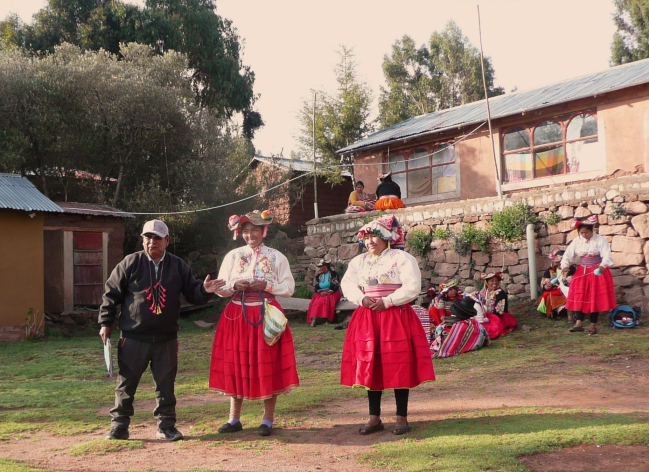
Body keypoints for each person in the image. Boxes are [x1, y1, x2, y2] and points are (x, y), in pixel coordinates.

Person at [99, 219, 224, 441]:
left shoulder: (178, 266)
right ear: (142, 239)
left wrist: (204, 290)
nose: (152, 241)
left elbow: (193, 293)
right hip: (133, 337)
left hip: (166, 338)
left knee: (166, 386)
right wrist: (105, 323)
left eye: (157, 238)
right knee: (126, 384)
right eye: (148, 237)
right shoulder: (130, 263)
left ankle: (166, 426)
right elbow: (111, 294)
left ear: (167, 241)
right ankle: (119, 426)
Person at [340, 215, 435, 435]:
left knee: (398, 363)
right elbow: (348, 284)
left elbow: (412, 287)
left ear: (387, 238)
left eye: (375, 236)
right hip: (368, 317)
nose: (370, 241)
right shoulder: (358, 262)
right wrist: (362, 299)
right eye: (367, 237)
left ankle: (401, 417)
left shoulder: (401, 258)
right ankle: (374, 418)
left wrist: (388, 301)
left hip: (395, 316)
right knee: (372, 364)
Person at [209, 210, 299, 437]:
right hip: (237, 316)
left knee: (266, 363)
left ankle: (267, 420)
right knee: (236, 363)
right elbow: (220, 289)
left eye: (255, 231)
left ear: (264, 231)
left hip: (266, 315)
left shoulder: (277, 257)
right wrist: (233, 286)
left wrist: (266, 285)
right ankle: (234, 418)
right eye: (246, 231)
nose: (250, 235)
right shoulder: (232, 256)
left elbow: (288, 288)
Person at [561, 215, 616, 336]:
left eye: (586, 232)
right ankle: (578, 322)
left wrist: (603, 266)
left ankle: (593, 325)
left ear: (592, 230)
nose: (584, 235)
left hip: (597, 271)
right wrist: (565, 265)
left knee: (594, 297)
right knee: (578, 294)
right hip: (582, 271)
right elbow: (568, 254)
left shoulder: (600, 240)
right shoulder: (577, 241)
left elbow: (606, 255)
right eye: (581, 233)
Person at [467, 272, 518, 340]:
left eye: (496, 281)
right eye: (492, 281)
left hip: (497, 316)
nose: (495, 283)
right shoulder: (483, 291)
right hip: (485, 315)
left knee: (491, 329)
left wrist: (486, 315)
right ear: (487, 282)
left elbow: (499, 311)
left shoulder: (500, 293)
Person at [537, 249, 576, 321]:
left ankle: (566, 312)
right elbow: (544, 282)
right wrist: (547, 285)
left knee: (567, 296)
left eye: (559, 262)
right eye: (556, 262)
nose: (557, 264)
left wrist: (565, 283)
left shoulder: (571, 269)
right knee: (548, 295)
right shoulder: (550, 270)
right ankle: (556, 312)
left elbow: (573, 282)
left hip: (566, 291)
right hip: (554, 290)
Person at [306, 259, 342, 327]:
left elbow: (336, 285)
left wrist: (329, 291)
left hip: (332, 292)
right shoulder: (319, 276)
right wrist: (320, 292)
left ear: (326, 267)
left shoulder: (333, 274)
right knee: (316, 301)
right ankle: (314, 320)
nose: (320, 269)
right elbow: (316, 286)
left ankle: (327, 319)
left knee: (326, 299)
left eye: (321, 267)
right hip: (321, 293)